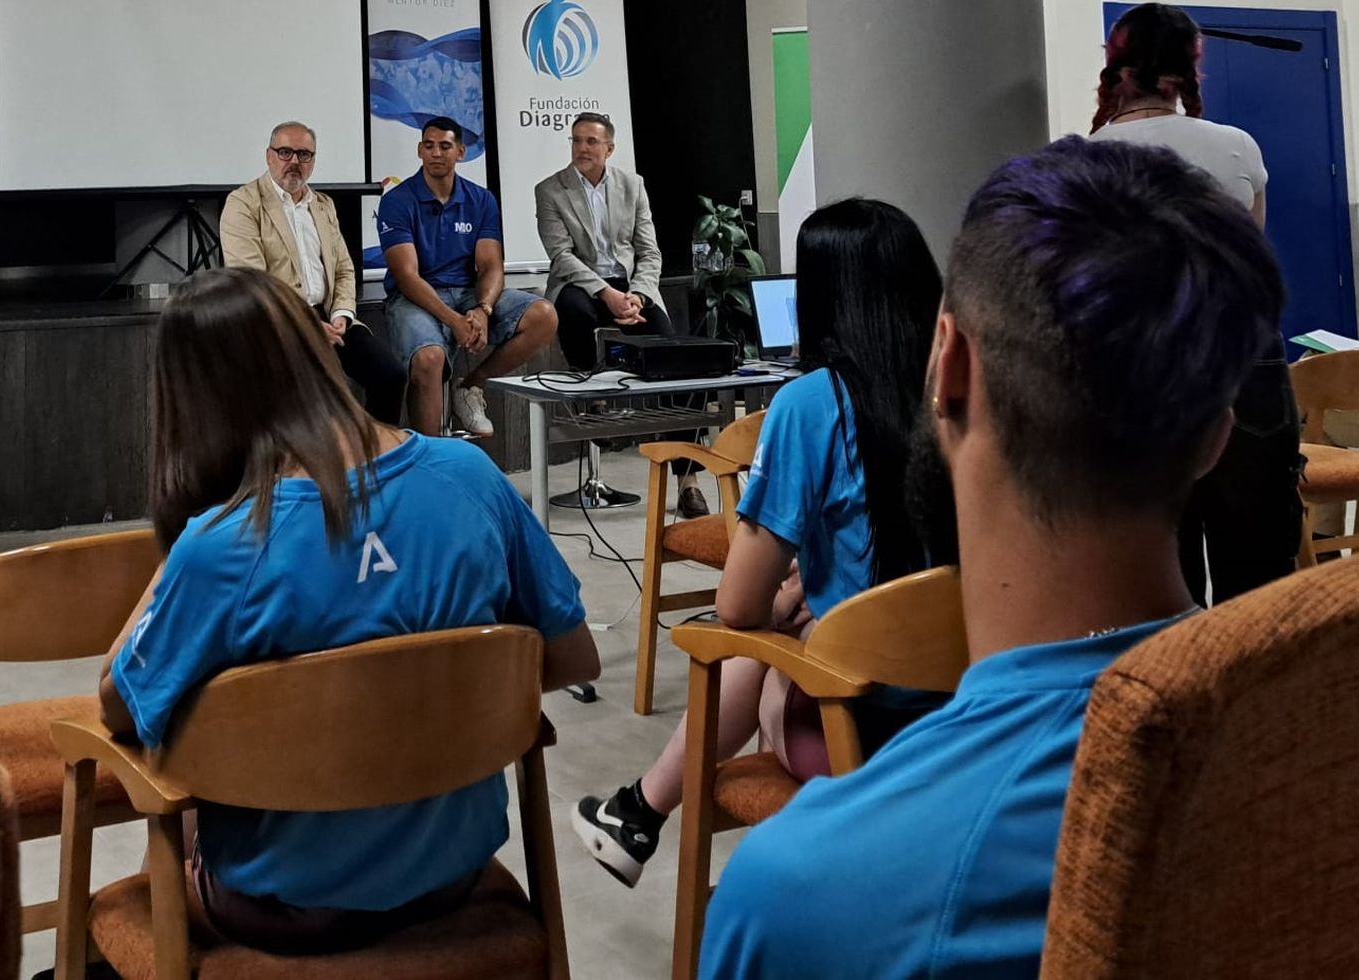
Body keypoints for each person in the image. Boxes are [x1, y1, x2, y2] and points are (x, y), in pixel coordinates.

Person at [698, 136, 1284, 978]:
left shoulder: (798, 894)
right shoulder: (1333, 764)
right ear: (1217, 435)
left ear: (951, 367)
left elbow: (737, 609)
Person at [97, 267, 599, 954]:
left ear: (192, 401)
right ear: (318, 352)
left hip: (282, 907)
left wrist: (183, 543)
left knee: (178, 755)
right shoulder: (472, 478)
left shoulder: (220, 549)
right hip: (452, 877)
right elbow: (573, 657)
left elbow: (120, 707)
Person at [569, 198, 951, 888]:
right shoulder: (967, 390)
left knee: (747, 644)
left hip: (860, 733)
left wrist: (781, 606)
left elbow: (739, 606)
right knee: (796, 624)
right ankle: (636, 813)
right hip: (973, 723)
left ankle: (644, 814)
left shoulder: (810, 405)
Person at [1086, 2, 1300, 605]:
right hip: (1243, 364)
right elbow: (1251, 257)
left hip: (1141, 373)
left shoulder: (1086, 156)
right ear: (1188, 69)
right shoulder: (1237, 146)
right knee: (1257, 568)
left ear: (1117, 68)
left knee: (1160, 573)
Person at [535, 112, 708, 517]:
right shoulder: (551, 190)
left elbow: (649, 252)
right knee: (574, 310)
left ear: (609, 148)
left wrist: (638, 296)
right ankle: (593, 400)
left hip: (630, 287)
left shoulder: (633, 186)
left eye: (591, 142)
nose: (582, 148)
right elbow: (561, 257)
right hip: (580, 284)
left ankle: (688, 480)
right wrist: (606, 294)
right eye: (576, 140)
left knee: (677, 359)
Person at [378, 116, 558, 436]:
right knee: (429, 358)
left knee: (543, 315)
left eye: (445, 146)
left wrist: (483, 309)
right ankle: (433, 455)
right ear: (419, 150)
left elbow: (491, 266)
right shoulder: (397, 200)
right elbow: (406, 275)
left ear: (460, 152)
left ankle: (471, 386)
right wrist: (454, 321)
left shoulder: (481, 199)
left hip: (466, 293)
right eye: (429, 146)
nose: (436, 153)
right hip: (414, 298)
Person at [220, 120, 407, 425]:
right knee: (318, 395)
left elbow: (344, 269)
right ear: (269, 156)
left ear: (313, 160)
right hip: (276, 321)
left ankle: (376, 454)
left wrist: (342, 313)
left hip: (331, 318)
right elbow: (253, 285)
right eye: (285, 152)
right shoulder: (243, 204)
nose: (294, 161)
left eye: (304, 154)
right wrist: (308, 325)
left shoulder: (323, 205)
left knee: (390, 376)